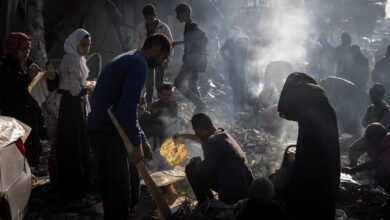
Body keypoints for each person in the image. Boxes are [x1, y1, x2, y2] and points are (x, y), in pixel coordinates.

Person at [87, 34, 171, 219]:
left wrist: (140, 137)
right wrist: (137, 144)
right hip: (108, 131)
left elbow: (123, 105)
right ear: (156, 49)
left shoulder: (129, 57)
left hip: (99, 128)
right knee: (118, 192)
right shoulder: (139, 65)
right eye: (163, 57)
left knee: (112, 187)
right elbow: (127, 109)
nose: (161, 63)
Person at [278, 72, 340, 220]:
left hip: (315, 154)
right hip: (324, 155)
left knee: (308, 184)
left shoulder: (305, 98)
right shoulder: (313, 97)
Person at [0, 32, 56, 166]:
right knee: (18, 154)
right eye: (23, 49)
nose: (27, 53)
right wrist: (28, 77)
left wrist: (50, 77)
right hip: (15, 118)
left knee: (34, 152)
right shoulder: (5, 67)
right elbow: (11, 89)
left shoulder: (28, 64)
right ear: (14, 48)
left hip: (31, 116)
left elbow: (45, 86)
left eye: (29, 49)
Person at [175, 113, 254, 205]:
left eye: (196, 132)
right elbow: (202, 139)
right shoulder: (221, 134)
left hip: (235, 193)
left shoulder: (211, 143)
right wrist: (184, 136)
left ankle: (207, 205)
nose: (196, 135)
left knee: (191, 169)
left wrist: (197, 162)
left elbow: (204, 171)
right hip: (247, 187)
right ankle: (211, 201)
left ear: (199, 130)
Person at [56, 28, 94, 201]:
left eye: (89, 45)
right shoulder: (72, 60)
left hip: (72, 106)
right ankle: (74, 188)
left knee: (76, 145)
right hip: (72, 108)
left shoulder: (76, 58)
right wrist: (89, 86)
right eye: (84, 45)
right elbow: (75, 90)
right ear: (74, 44)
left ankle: (77, 185)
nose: (87, 48)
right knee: (74, 145)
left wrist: (85, 85)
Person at [344, 123, 390, 217]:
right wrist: (353, 170)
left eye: (369, 138)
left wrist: (353, 170)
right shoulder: (386, 141)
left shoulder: (387, 148)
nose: (368, 142)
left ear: (376, 137)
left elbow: (376, 164)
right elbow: (374, 162)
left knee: (381, 175)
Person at [135, 4, 173, 107]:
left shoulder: (163, 27)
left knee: (159, 83)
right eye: (147, 18)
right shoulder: (141, 27)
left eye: (151, 18)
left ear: (155, 15)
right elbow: (139, 43)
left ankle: (161, 104)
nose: (150, 20)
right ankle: (149, 104)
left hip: (160, 58)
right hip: (147, 58)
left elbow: (170, 44)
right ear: (144, 17)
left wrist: (167, 59)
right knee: (148, 82)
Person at [173, 3, 208, 113]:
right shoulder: (190, 26)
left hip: (191, 62)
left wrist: (194, 58)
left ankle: (199, 103)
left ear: (185, 13)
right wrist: (179, 43)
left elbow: (201, 39)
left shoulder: (191, 26)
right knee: (192, 85)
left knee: (178, 83)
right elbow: (192, 41)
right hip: (195, 61)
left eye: (178, 14)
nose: (177, 17)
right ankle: (200, 108)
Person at [140, 83, 181, 149]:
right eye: (163, 94)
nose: (166, 96)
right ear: (159, 94)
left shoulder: (174, 105)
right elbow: (150, 119)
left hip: (168, 130)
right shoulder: (154, 104)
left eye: (168, 95)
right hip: (157, 130)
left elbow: (171, 119)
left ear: (171, 94)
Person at [220, 27, 249, 107]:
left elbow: (247, 47)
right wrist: (227, 58)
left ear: (239, 32)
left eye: (236, 32)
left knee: (242, 84)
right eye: (232, 32)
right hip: (232, 66)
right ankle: (236, 102)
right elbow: (222, 50)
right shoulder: (229, 41)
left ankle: (242, 103)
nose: (234, 34)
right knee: (234, 84)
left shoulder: (244, 39)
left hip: (241, 66)